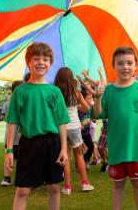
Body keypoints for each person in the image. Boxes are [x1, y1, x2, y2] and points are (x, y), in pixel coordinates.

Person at [4, 42, 69, 210]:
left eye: (45, 59)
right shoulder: (21, 91)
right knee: (23, 190)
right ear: (28, 62)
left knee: (54, 187)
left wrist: (63, 149)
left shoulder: (54, 92)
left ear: (50, 63)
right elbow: (13, 122)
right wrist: (10, 150)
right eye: (36, 58)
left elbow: (62, 122)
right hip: (29, 144)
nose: (41, 62)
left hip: (52, 144)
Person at [92, 47, 138, 210]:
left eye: (129, 63)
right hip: (116, 149)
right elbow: (97, 114)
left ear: (136, 65)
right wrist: (98, 97)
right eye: (120, 63)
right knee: (118, 186)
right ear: (113, 66)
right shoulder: (108, 91)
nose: (125, 67)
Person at [54, 67, 94, 195]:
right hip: (75, 128)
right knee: (79, 156)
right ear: (71, 78)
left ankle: (67, 187)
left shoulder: (55, 92)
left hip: (61, 129)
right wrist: (76, 106)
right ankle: (85, 184)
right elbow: (87, 108)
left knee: (66, 157)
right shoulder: (76, 93)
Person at [0, 79, 26, 187]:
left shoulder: (7, 103)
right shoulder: (25, 101)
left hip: (9, 137)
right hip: (21, 136)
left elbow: (2, 117)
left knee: (10, 156)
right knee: (22, 157)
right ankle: (21, 178)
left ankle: (7, 178)